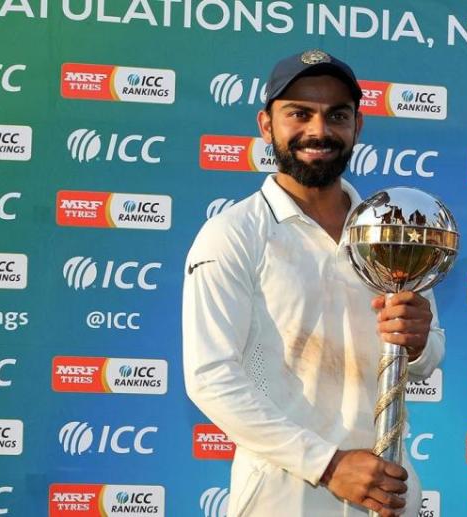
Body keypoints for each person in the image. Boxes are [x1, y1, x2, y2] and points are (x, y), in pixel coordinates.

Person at [182, 49, 445, 517]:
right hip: (282, 496)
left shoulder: (392, 232)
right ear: (267, 125)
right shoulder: (234, 234)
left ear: (357, 126)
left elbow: (425, 362)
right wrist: (328, 465)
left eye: (336, 115)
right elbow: (210, 378)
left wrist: (421, 341)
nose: (319, 131)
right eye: (299, 114)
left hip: (389, 492)